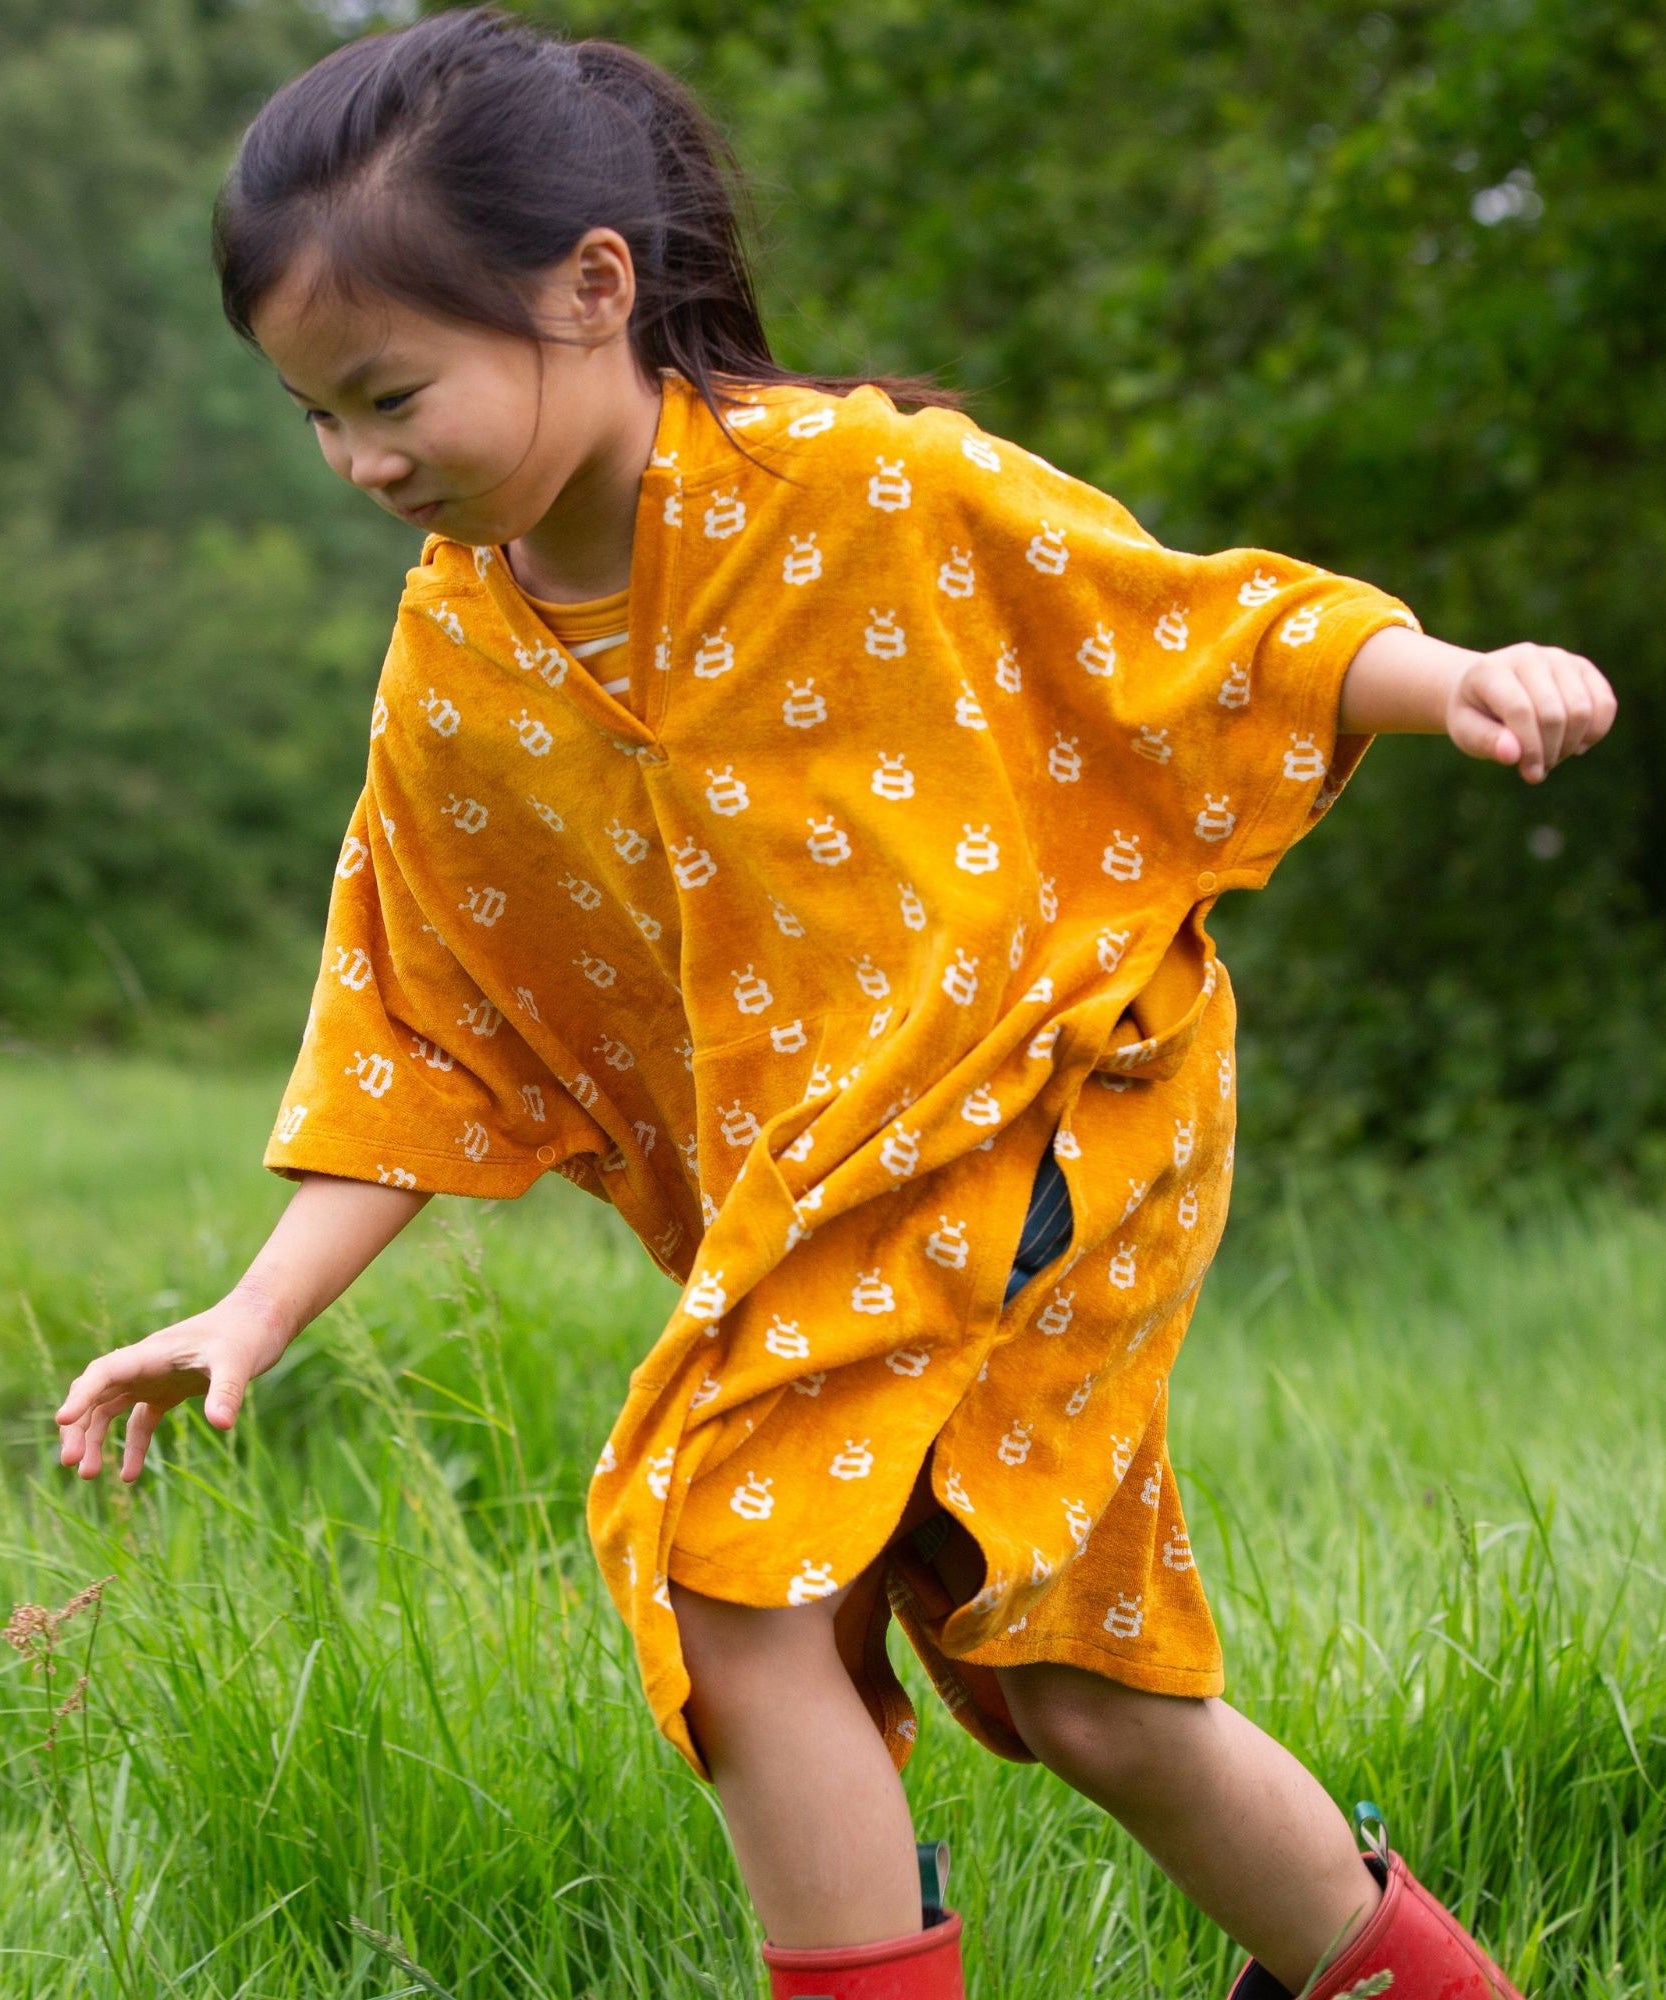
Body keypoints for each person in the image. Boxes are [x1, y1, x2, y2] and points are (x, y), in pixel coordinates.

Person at [52, 12, 1615, 1998]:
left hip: (1021, 1120)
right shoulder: (464, 644)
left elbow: (1175, 627)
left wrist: (1444, 671)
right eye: (312, 419)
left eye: (388, 394)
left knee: (729, 1565)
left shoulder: (863, 489)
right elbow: (428, 1012)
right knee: (1070, 1681)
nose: (359, 463)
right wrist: (252, 1309)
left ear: (589, 287)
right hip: (819, 1196)